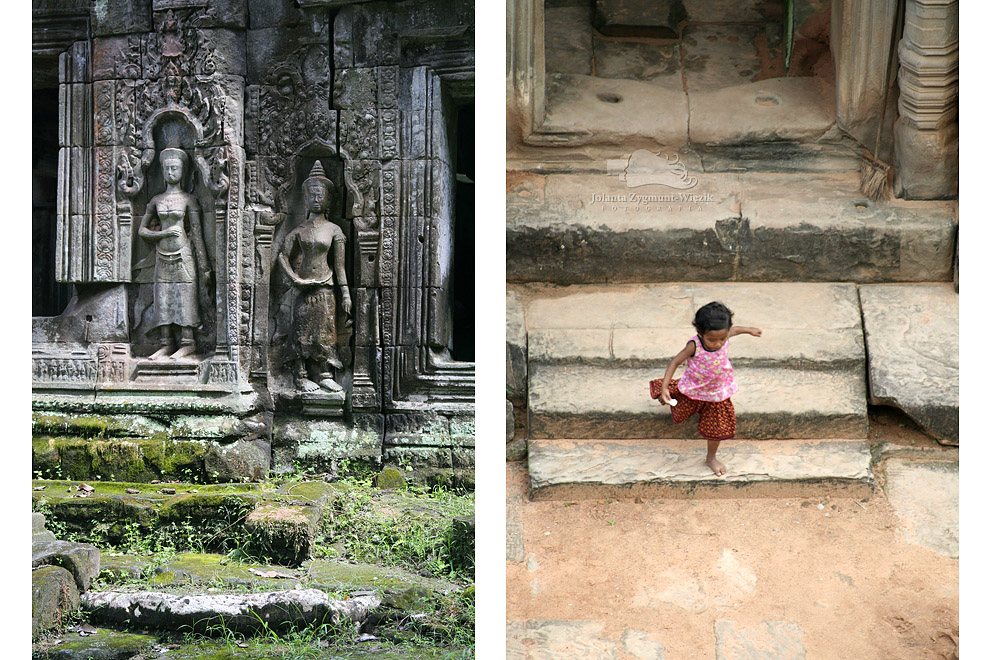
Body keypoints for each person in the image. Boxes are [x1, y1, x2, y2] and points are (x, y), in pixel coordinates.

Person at [657, 301, 762, 476]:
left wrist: (750, 330)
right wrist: (664, 387)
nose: (718, 344)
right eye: (712, 340)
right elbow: (675, 362)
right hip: (695, 388)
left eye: (722, 339)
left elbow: (735, 330)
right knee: (677, 403)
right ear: (700, 333)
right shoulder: (694, 345)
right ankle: (666, 394)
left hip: (717, 393)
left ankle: (711, 458)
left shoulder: (725, 334)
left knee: (717, 428)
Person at [276, 161, 351, 393]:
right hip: (303, 287)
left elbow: (339, 266)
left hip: (326, 286)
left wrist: (346, 294)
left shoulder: (334, 230)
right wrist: (295, 279)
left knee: (326, 331)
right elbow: (282, 256)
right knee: (301, 330)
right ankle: (300, 375)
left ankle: (325, 374)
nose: (316, 199)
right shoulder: (299, 230)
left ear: (329, 200)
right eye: (312, 195)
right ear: (305, 200)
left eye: (321, 195)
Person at [136, 147, 210, 360]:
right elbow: (142, 231)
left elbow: (197, 233)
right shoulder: (157, 200)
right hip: (162, 256)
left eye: (175, 168)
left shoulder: (188, 200)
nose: (170, 172)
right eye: (167, 168)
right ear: (162, 171)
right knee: (163, 298)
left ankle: (188, 343)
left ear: (183, 171)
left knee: (185, 297)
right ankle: (166, 343)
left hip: (184, 255)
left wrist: (204, 265)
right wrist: (164, 233)